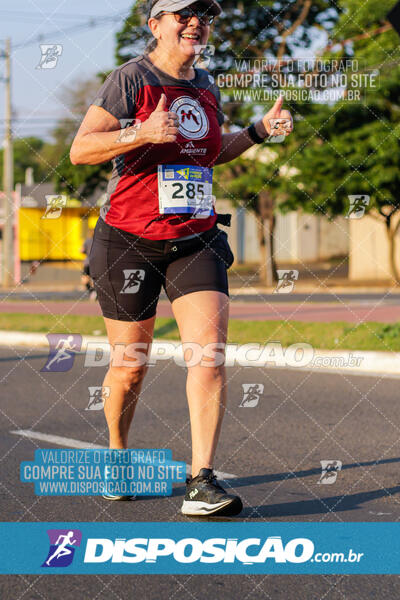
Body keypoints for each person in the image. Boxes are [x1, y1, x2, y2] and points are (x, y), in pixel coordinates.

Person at [70, 0, 293, 515]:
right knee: (130, 366)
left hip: (195, 238)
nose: (197, 22)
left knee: (209, 353)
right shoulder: (131, 80)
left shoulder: (207, 86)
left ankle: (201, 481)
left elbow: (208, 151)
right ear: (156, 25)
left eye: (205, 16)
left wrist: (258, 132)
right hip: (128, 240)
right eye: (184, 14)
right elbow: (81, 149)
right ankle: (118, 457)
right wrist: (140, 132)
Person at [80, 229, 96, 300]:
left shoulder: (87, 241)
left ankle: (92, 292)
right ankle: (94, 292)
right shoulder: (98, 242)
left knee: (84, 280)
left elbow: (81, 250)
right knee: (94, 280)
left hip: (87, 263)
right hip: (96, 263)